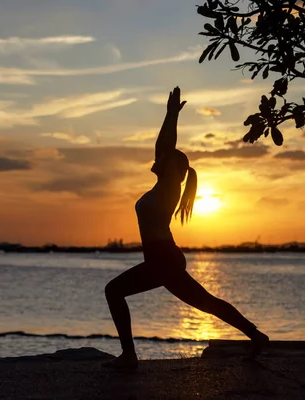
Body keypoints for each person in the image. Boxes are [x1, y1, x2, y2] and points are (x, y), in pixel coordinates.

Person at [103, 87, 269, 369]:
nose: (155, 160)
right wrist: (168, 116)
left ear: (171, 169)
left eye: (162, 160)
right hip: (162, 259)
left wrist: (171, 117)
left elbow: (165, 147)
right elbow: (162, 149)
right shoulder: (160, 187)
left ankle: (129, 357)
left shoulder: (170, 189)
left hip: (163, 259)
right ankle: (256, 336)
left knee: (114, 291)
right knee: (207, 303)